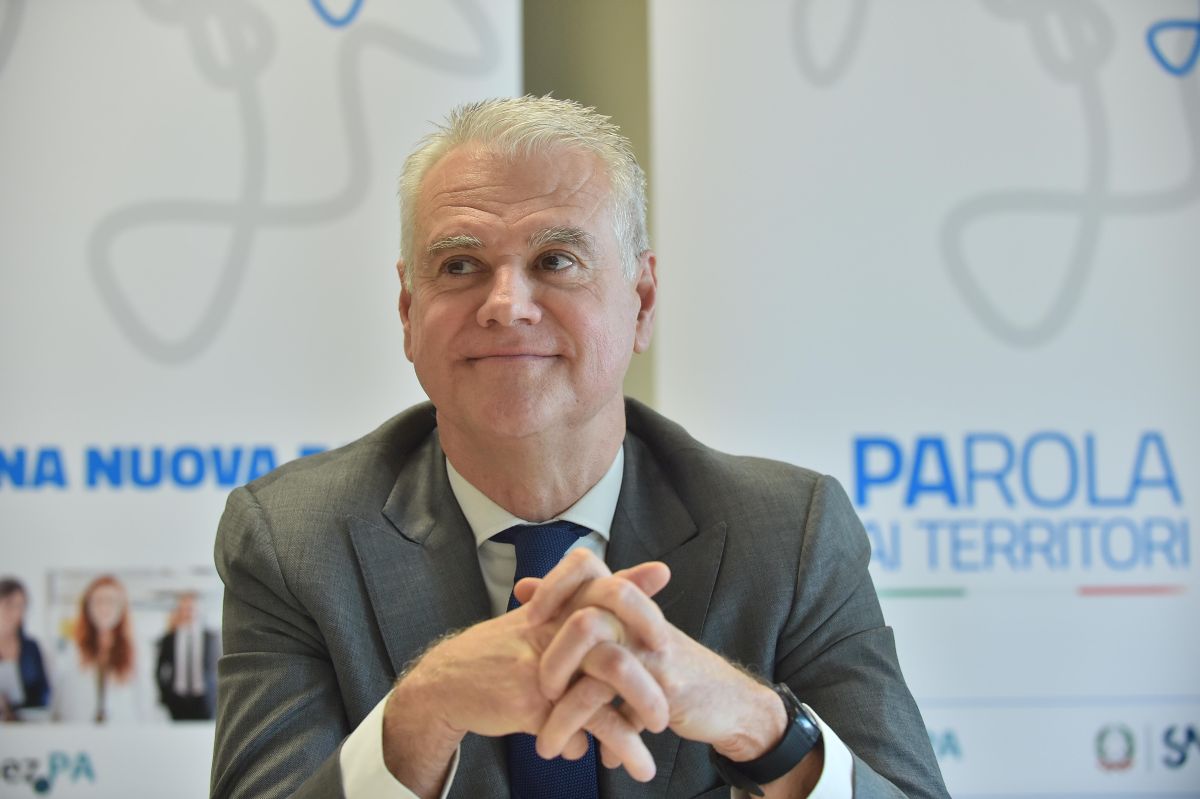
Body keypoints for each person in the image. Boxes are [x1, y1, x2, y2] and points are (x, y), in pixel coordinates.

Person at [212, 96, 949, 798]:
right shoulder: (293, 541)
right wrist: (421, 711)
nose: (506, 305)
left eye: (556, 260)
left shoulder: (790, 535)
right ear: (408, 313)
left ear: (642, 302)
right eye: (461, 265)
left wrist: (757, 724)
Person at [52, 574, 148, 723]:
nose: (104, 607)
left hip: (122, 729)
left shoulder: (136, 649)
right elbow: (63, 700)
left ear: (121, 608)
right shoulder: (73, 648)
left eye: (111, 601)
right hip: (81, 729)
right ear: (87, 607)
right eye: (98, 601)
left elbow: (144, 701)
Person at [155, 592, 220, 720]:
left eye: (191, 608)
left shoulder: (210, 637)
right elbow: (159, 670)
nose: (188, 612)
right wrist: (165, 695)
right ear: (179, 611)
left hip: (205, 699)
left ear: (198, 610)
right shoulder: (169, 639)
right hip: (177, 699)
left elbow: (219, 668)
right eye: (184, 609)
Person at [0, 577, 50, 720]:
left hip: (26, 723)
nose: (16, 612)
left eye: (21, 606)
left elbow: (44, 693)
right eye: (10, 604)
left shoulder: (31, 648)